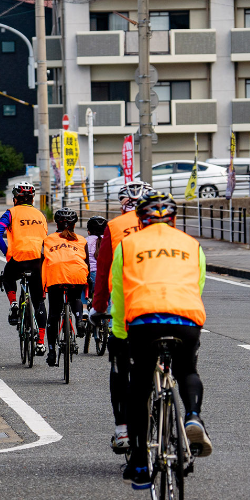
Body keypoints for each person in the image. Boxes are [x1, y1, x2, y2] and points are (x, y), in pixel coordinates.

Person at [112, 191, 212, 489]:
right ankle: (193, 416)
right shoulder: (191, 245)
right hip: (186, 319)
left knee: (139, 386)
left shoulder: (128, 245)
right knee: (187, 371)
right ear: (174, 218)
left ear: (139, 220)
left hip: (143, 321)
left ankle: (141, 461)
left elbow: (119, 292)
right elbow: (198, 283)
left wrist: (119, 334)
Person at [90, 180, 152, 454]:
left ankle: (123, 429)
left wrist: (97, 307)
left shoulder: (114, 228)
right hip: (171, 306)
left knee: (120, 369)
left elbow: (102, 271)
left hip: (127, 307)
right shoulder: (166, 228)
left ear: (122, 203)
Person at [0, 182, 49, 354]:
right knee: (39, 301)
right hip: (37, 261)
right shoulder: (40, 215)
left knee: (8, 277)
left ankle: (14, 304)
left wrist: (7, 252)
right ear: (32, 199)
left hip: (17, 259)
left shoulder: (11, 213)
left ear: (15, 198)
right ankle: (40, 342)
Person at [42, 208, 90, 367]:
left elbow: (44, 261)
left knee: (54, 312)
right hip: (77, 274)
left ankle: (51, 351)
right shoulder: (82, 240)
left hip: (56, 275)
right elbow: (87, 263)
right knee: (75, 297)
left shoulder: (48, 239)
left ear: (56, 223)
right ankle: (79, 319)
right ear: (75, 224)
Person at [82, 215, 108, 324]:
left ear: (88, 231)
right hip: (106, 275)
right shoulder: (108, 240)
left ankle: (84, 309)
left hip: (91, 274)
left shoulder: (85, 241)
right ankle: (109, 323)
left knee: (83, 285)